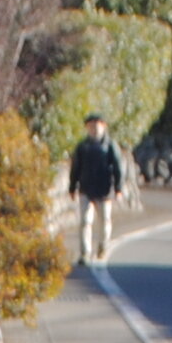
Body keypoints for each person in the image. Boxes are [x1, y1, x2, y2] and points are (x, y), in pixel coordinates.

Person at [68, 113, 129, 264]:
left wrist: (118, 188)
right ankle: (85, 253)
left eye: (97, 125)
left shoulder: (110, 146)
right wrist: (72, 186)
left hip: (104, 189)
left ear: (104, 126)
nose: (94, 129)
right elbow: (75, 167)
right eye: (91, 126)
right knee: (85, 221)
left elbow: (117, 167)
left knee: (104, 221)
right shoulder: (82, 147)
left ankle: (103, 246)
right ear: (87, 128)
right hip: (86, 188)